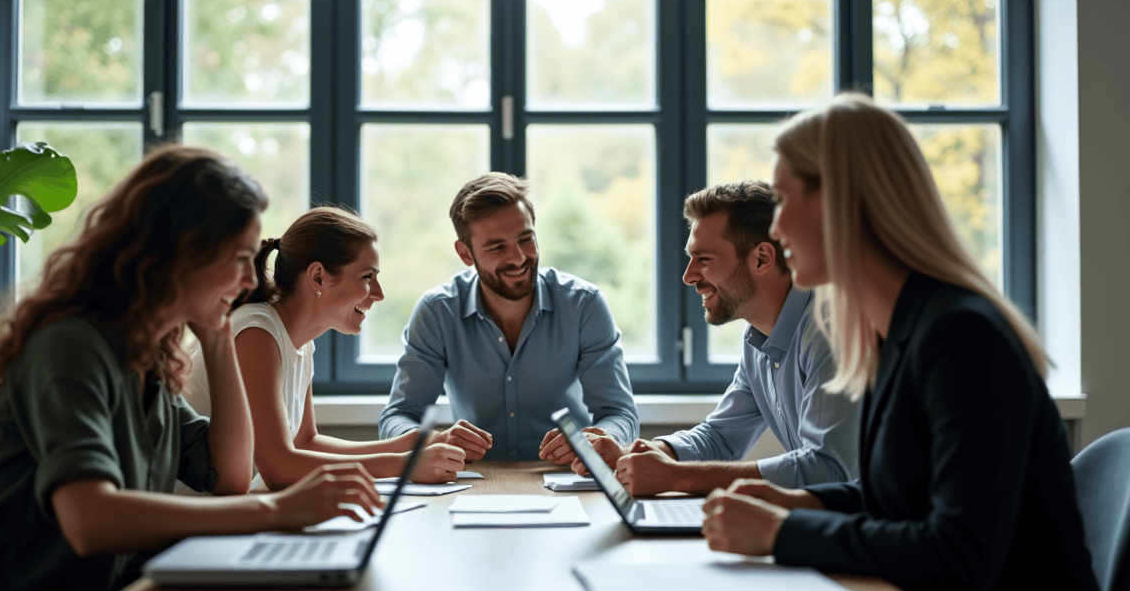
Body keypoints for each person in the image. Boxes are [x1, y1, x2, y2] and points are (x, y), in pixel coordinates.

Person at [699, 94, 1105, 591]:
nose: (775, 229)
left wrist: (781, 532)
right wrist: (801, 501)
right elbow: (902, 496)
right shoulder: (896, 329)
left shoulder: (962, 338)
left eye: (783, 199)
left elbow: (958, 553)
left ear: (844, 202)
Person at [0, 145, 381, 591]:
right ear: (182, 254)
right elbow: (88, 518)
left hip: (116, 587)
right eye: (238, 260)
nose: (248, 281)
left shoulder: (144, 360)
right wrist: (275, 511)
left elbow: (231, 477)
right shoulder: (71, 347)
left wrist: (217, 341)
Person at [576, 182, 859, 496]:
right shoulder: (759, 339)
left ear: (762, 259)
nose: (689, 276)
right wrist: (650, 455)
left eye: (704, 259)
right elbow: (722, 438)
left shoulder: (830, 330)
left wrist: (678, 478)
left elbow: (829, 470)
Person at [184, 206, 468, 488]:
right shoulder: (256, 332)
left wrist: (409, 444)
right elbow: (278, 468)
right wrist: (404, 465)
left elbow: (306, 441)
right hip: (196, 519)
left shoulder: (301, 342)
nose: (379, 295)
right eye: (367, 277)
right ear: (318, 276)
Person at [379, 172, 639, 462]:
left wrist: (598, 440)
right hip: (475, 484)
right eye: (497, 247)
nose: (517, 258)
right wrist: (433, 441)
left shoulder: (584, 305)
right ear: (466, 253)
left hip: (568, 480)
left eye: (525, 239)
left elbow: (620, 414)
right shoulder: (437, 312)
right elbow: (398, 417)